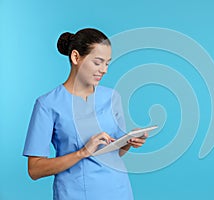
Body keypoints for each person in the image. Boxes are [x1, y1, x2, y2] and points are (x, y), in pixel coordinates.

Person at [23, 28, 148, 200]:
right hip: (75, 194)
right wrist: (82, 152)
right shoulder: (47, 104)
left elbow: (115, 152)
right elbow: (35, 169)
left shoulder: (112, 97)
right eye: (98, 62)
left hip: (119, 191)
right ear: (76, 57)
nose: (104, 70)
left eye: (107, 63)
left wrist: (129, 142)